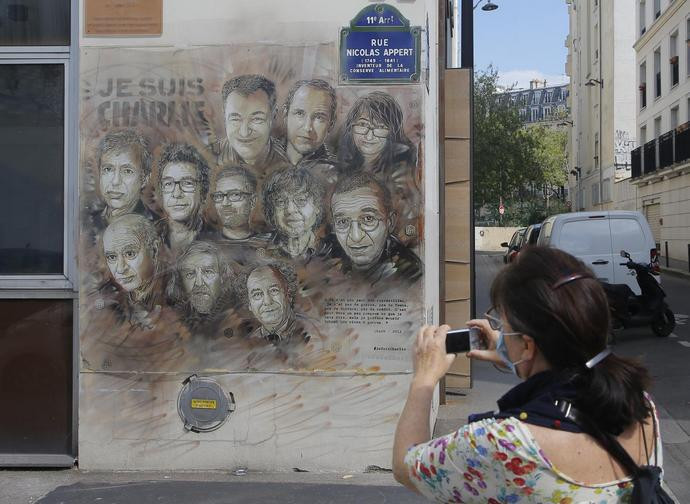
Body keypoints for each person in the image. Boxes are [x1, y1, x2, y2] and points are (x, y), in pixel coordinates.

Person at [393, 246, 663, 503]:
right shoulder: (640, 405)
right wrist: (513, 353)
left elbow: (407, 465)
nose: (502, 331)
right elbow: (572, 376)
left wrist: (424, 379)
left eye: (505, 325)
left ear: (528, 344)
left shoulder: (503, 443)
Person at [338, 91, 421, 236]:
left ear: (392, 132)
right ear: (351, 128)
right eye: (363, 124)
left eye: (380, 127)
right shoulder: (343, 167)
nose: (369, 135)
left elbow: (406, 223)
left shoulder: (402, 172)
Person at [328, 172, 421, 284]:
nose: (355, 237)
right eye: (342, 222)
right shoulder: (326, 264)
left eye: (368, 219)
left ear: (390, 223)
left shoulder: (411, 275)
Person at [100, 213, 163, 328]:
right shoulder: (108, 300)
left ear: (154, 250)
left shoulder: (174, 294)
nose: (120, 268)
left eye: (130, 254)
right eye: (112, 257)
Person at [218, 74, 288, 175]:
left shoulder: (288, 164)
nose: (244, 133)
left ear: (273, 116)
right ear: (224, 117)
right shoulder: (208, 159)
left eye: (257, 119)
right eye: (235, 119)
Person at [166, 241, 235, 332]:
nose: (199, 283)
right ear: (181, 281)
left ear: (222, 276)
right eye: (190, 274)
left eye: (208, 272)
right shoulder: (171, 321)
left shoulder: (238, 315)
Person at [93, 129, 155, 229]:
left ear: (144, 179)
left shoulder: (158, 228)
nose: (115, 182)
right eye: (108, 169)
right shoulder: (88, 224)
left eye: (127, 171)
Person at [156, 142, 210, 252]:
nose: (176, 193)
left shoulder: (216, 241)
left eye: (187, 183)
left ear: (203, 192)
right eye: (168, 184)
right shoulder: (147, 236)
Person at [262, 166, 325, 260]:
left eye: (300, 200)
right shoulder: (260, 247)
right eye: (280, 202)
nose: (290, 210)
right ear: (272, 211)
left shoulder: (331, 249)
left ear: (317, 206)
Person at [282, 79, 338, 183]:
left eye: (319, 117)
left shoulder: (338, 176)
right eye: (299, 113)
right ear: (285, 114)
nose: (307, 127)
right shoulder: (261, 159)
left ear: (331, 124)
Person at [243, 263, 310, 346]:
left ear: (288, 294)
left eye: (274, 290)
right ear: (249, 304)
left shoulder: (313, 331)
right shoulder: (247, 344)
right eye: (257, 294)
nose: (267, 302)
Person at [209, 165, 270, 247]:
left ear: (252, 201)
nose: (225, 203)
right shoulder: (206, 243)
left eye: (235, 194)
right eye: (219, 196)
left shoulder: (268, 243)